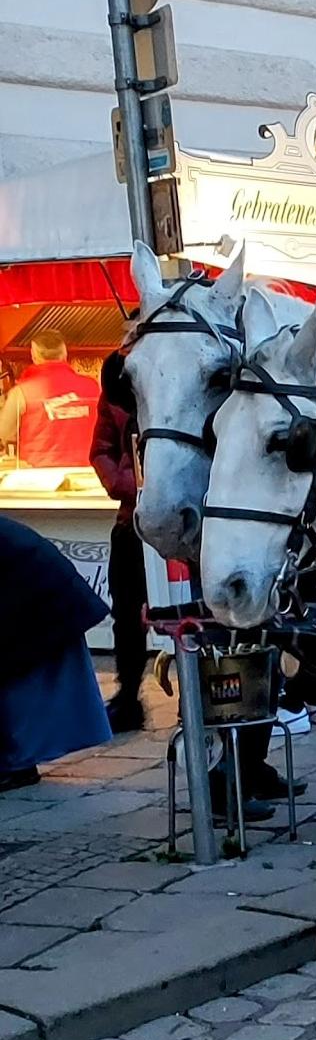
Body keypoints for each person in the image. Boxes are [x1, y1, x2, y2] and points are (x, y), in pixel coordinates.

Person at [0, 516, 111, 792]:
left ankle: (13, 766)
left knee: (18, 682)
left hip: (36, 597)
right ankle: (14, 763)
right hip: (33, 593)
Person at [89, 350, 147, 732]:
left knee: (193, 613)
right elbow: (101, 451)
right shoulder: (117, 375)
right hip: (130, 519)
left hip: (185, 521)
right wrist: (129, 487)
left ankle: (199, 694)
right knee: (126, 613)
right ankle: (128, 694)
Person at [0, 330, 99, 468]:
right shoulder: (93, 387)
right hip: (89, 474)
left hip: (39, 478)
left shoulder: (22, 392)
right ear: (64, 353)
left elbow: (4, 433)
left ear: (34, 355)